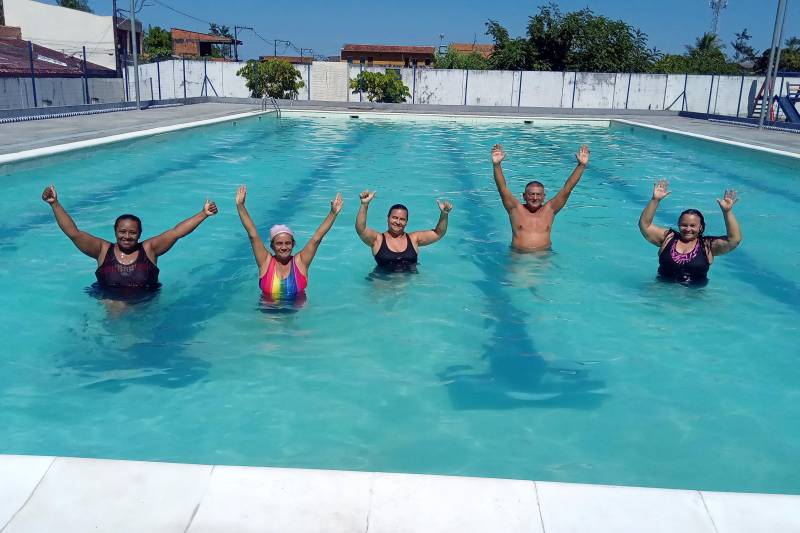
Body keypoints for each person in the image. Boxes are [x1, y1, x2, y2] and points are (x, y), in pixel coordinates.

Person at [41, 184, 217, 293]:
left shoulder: (149, 249)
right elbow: (73, 233)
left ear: (139, 234)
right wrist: (54, 204)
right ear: (115, 231)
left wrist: (203, 214)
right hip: (110, 307)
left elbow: (176, 232)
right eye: (122, 231)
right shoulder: (102, 250)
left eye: (132, 233)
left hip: (144, 308)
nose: (126, 236)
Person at [235, 185, 342, 302]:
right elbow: (253, 235)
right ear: (272, 246)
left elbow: (317, 238)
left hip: (296, 312)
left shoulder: (301, 262)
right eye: (279, 243)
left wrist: (333, 213)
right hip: (268, 312)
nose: (284, 247)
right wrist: (240, 206)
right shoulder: (265, 262)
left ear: (293, 244)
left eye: (288, 243)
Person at [638, 179, 742, 285]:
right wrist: (655, 200)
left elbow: (734, 239)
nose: (688, 229)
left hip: (693, 294)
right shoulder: (668, 238)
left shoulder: (708, 246)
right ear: (678, 224)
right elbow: (645, 225)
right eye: (684, 225)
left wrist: (727, 212)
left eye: (693, 226)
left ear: (700, 227)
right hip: (661, 291)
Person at [491, 143, 590, 252]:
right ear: (524, 196)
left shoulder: (550, 210)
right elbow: (502, 188)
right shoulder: (515, 209)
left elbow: (567, 189)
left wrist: (581, 165)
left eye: (538, 194)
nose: (535, 198)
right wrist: (497, 165)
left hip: (544, 256)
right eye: (531, 194)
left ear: (543, 197)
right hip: (519, 256)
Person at [355, 190, 452, 272]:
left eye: (402, 219)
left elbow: (438, 233)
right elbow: (361, 229)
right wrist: (364, 204)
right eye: (394, 217)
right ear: (388, 218)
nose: (398, 222)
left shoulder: (414, 238)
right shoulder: (378, 239)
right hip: (383, 284)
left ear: (406, 222)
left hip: (410, 284)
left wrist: (444, 214)